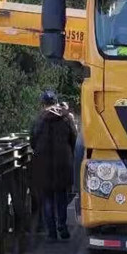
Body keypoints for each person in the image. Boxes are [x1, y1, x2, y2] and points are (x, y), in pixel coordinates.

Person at [31, 90, 76, 241]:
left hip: (43, 165)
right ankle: (62, 225)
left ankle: (51, 233)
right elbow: (74, 139)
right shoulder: (66, 118)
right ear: (56, 101)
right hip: (62, 164)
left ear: (43, 103)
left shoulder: (39, 120)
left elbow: (32, 142)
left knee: (47, 199)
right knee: (61, 197)